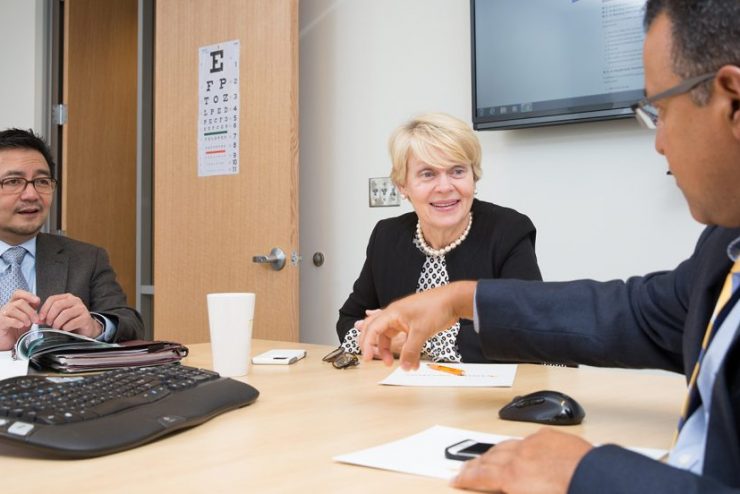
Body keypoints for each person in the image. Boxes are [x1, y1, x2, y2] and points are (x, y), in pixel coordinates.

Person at [359, 0, 740, 492]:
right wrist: (461, 298)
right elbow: (635, 311)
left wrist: (587, 473)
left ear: (732, 100)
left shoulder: (507, 227)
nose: (659, 143)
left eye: (660, 110)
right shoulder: (724, 245)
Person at [337, 112, 541, 362]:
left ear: (473, 177)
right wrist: (381, 338)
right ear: (403, 186)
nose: (445, 187)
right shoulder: (387, 236)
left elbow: (527, 330)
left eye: (457, 171)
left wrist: (417, 340)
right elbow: (349, 319)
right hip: (401, 392)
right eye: (427, 174)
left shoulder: (508, 230)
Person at [0, 128, 143, 351]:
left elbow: (129, 322)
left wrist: (95, 326)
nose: (31, 195)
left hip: (61, 383)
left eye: (42, 181)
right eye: (13, 181)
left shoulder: (87, 258)